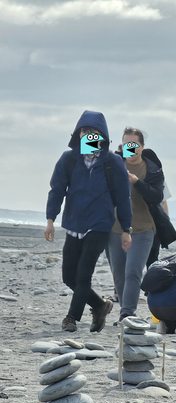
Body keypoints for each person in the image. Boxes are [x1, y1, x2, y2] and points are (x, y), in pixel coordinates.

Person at [45, 110, 132, 333]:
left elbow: (123, 198)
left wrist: (126, 229)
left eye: (93, 131)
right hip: (74, 224)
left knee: (83, 274)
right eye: (84, 131)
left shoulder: (113, 163)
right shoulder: (69, 159)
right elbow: (57, 190)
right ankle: (100, 305)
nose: (88, 135)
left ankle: (71, 318)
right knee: (69, 277)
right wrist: (50, 218)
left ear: (102, 135)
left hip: (99, 225)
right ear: (78, 133)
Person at [108, 127, 166, 322]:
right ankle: (124, 310)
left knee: (133, 271)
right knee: (119, 273)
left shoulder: (153, 169)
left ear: (142, 147)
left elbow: (157, 196)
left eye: (134, 145)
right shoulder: (113, 164)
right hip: (115, 229)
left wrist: (137, 182)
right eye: (126, 145)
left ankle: (127, 312)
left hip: (143, 229)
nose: (130, 149)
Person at [146, 181, 174, 268]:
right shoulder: (156, 176)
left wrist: (165, 224)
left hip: (155, 223)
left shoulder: (157, 176)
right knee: (152, 260)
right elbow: (163, 202)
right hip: (153, 223)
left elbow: (163, 202)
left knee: (152, 259)